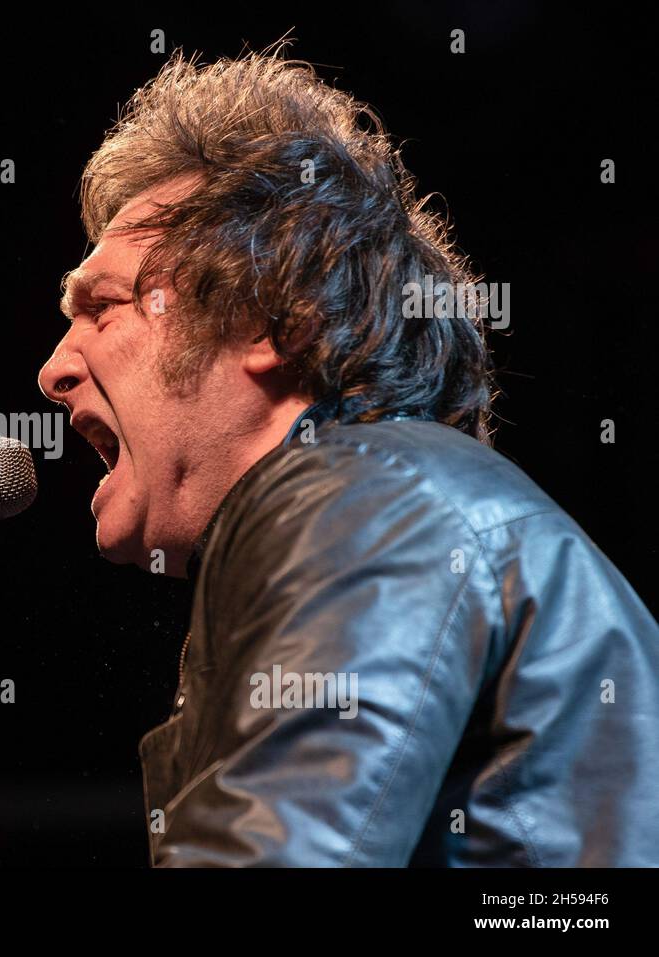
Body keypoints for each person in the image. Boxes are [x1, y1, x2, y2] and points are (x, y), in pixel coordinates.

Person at [37, 48, 658, 866]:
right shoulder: (385, 501)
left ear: (271, 324)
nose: (54, 370)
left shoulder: (362, 500)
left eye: (103, 307)